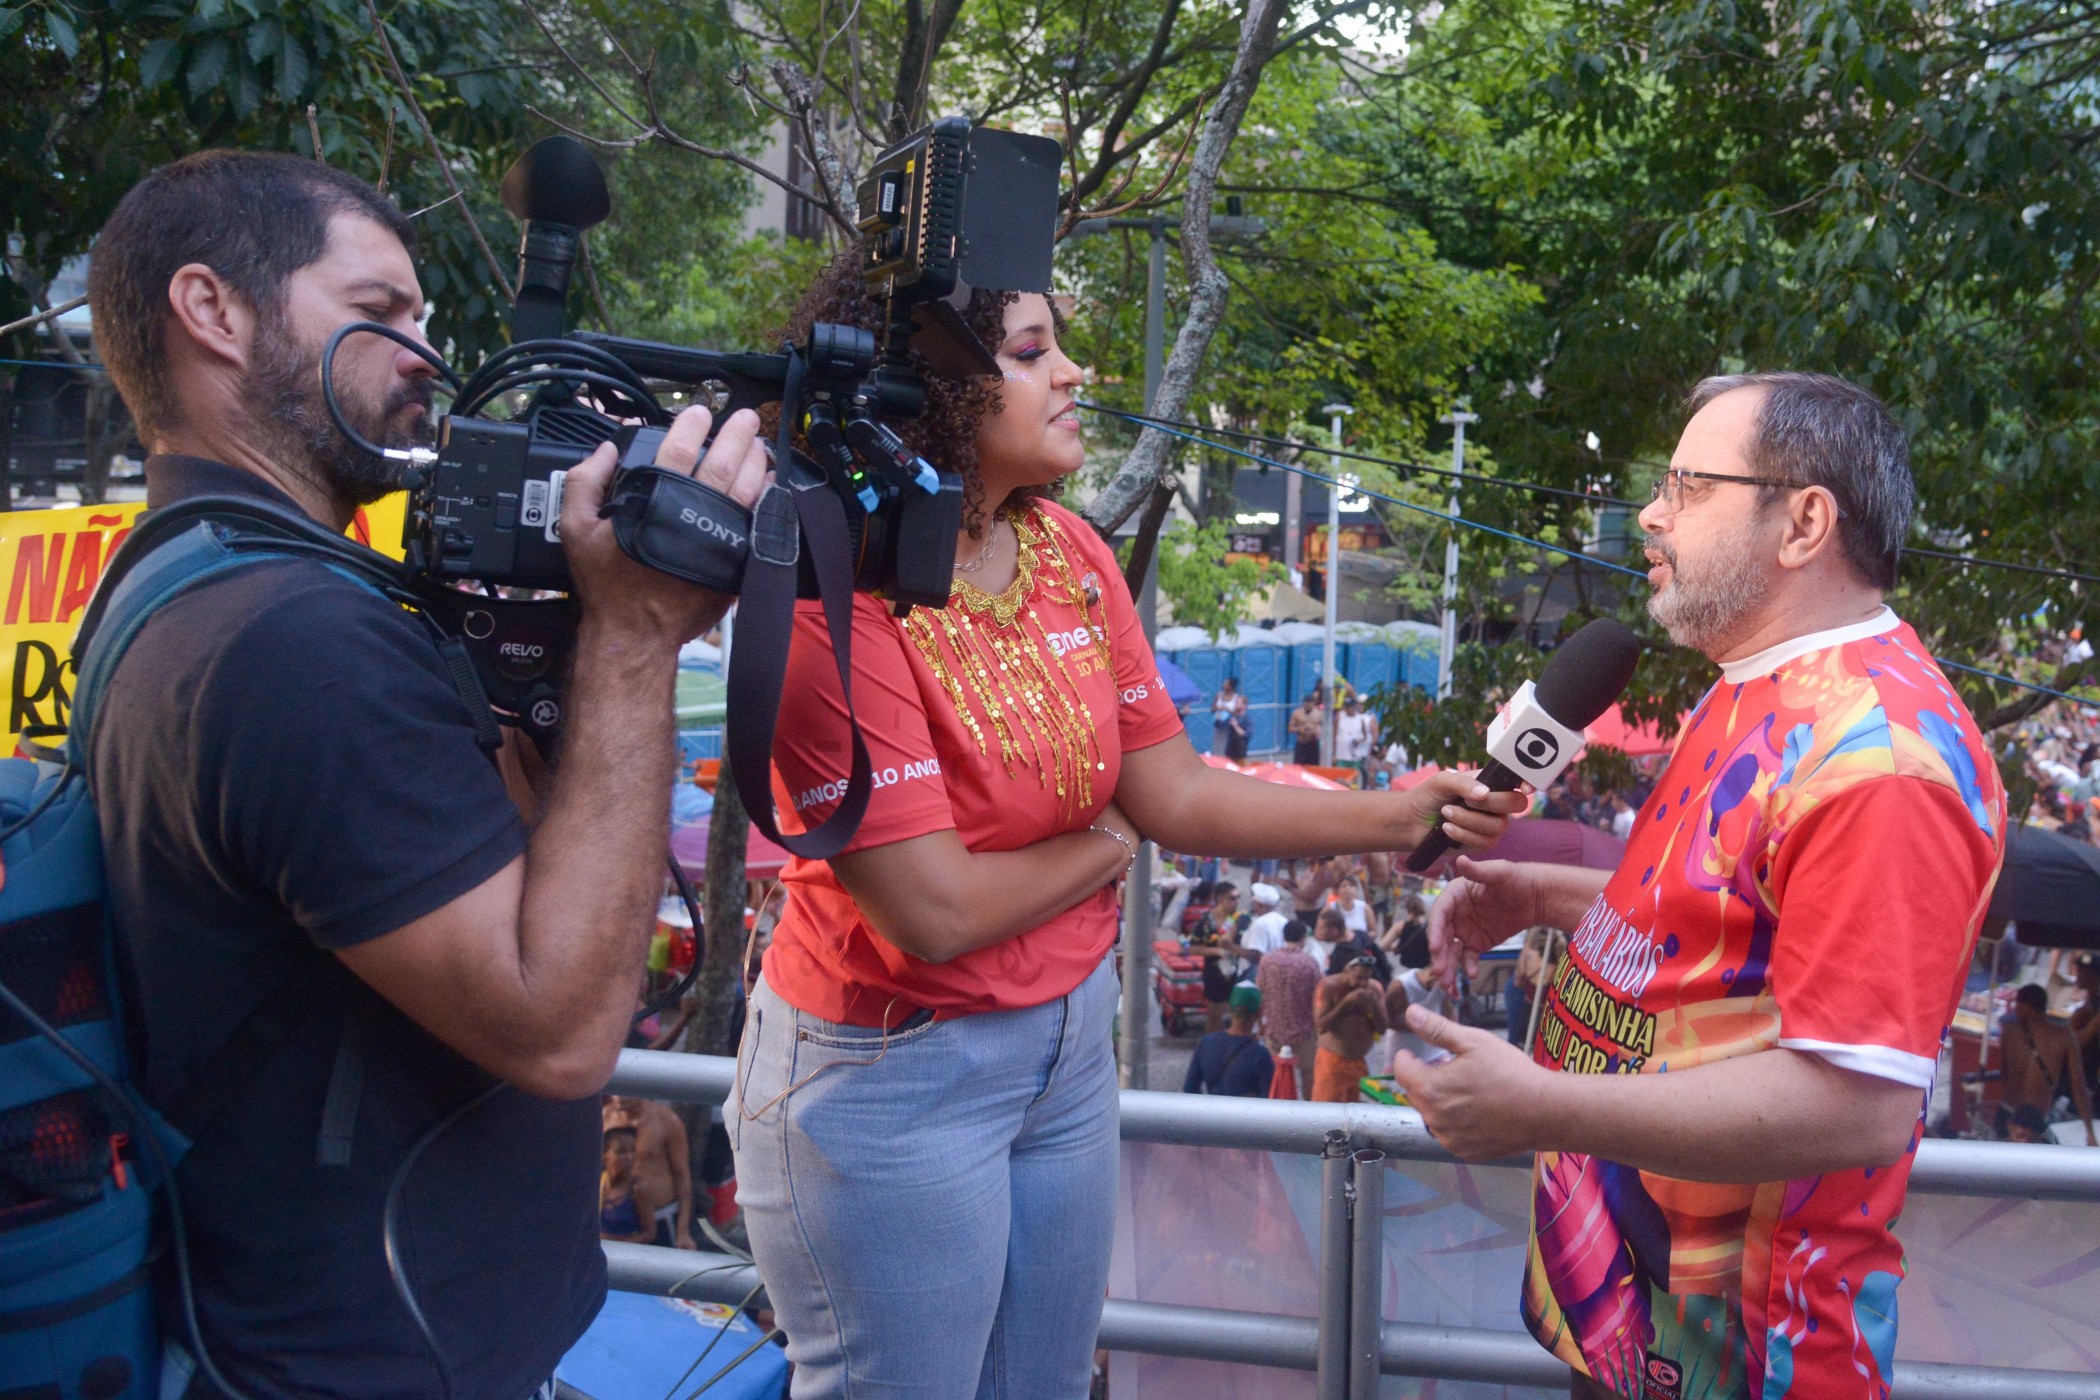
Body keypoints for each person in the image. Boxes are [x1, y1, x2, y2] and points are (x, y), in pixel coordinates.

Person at [733, 248, 1525, 1400]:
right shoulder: (834, 596)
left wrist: (1402, 812)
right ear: (927, 387)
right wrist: (1109, 843)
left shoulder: (1071, 552)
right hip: (895, 1069)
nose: (1075, 372)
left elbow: (1176, 791)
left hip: (1069, 1047)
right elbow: (936, 909)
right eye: (1031, 351)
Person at [81, 152, 767, 1397]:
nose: (426, 356)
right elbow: (561, 1030)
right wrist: (635, 635)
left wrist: (569, 642)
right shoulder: (296, 646)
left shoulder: (189, 576)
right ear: (212, 310)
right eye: (380, 310)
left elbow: (507, 871)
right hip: (365, 1364)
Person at [1394, 373, 2009, 1400]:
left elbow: (1855, 1106)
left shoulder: (1882, 762)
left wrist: (1543, 1105)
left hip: (1745, 1355)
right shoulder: (1751, 682)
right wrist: (1540, 895)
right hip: (1627, 1322)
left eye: (1688, 486)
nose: (1650, 513)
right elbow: (1718, 931)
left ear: (1804, 523)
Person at [1998, 984, 2097, 1145]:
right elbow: (2078, 1086)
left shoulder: (2009, 1031)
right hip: (2037, 1118)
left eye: (2018, 1005)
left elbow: (2005, 1073)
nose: (2015, 1009)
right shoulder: (2065, 1037)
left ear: (2029, 1008)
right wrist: (2090, 1132)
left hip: (2009, 1112)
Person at [604, 1094, 697, 1250]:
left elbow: (682, 1175)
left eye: (626, 1091)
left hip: (659, 1216)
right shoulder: (604, 1117)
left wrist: (683, 1231)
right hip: (615, 1217)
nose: (619, 1097)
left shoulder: (666, 1120)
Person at [1256, 919, 1323, 1097]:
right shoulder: (1309, 963)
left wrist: (1261, 1024)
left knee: (1276, 1073)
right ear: (1303, 938)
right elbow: (1317, 997)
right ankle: (1309, 1107)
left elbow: (1260, 992)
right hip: (1304, 1029)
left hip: (1275, 1028)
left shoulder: (1267, 960)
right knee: (1308, 1073)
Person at [1312, 954, 1387, 1102]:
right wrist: (1346, 1003)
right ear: (1346, 970)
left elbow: (1382, 1029)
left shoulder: (1374, 988)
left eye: (1367, 978)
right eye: (1359, 977)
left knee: (1355, 1110)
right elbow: (1321, 1027)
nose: (1363, 983)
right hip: (1332, 1063)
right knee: (1327, 1109)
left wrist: (1373, 1005)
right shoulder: (1328, 986)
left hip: (1361, 1061)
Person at [1182, 984, 1276, 1097]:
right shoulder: (1261, 1055)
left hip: (1213, 1107)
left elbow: (1190, 1088)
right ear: (1258, 1014)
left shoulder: (1206, 1043)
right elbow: (1269, 1099)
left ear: (1230, 1008)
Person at [1189, 883, 1252, 1031]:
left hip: (1238, 972)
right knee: (1214, 1016)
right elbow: (1193, 948)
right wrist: (1217, 951)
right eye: (1232, 898)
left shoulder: (1242, 919)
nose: (1236, 901)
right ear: (1219, 899)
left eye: (1238, 897)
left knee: (1239, 1015)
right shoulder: (1206, 920)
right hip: (1215, 973)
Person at [597, 1126, 658, 1244]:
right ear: (605, 1156)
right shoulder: (597, 1185)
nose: (629, 1157)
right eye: (621, 1152)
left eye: (632, 1151)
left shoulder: (638, 1188)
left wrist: (622, 1245)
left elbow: (649, 1233)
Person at [1240, 881, 1291, 960]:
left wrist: (1230, 946)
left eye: (1254, 903)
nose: (1253, 906)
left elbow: (1255, 955)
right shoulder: (1284, 920)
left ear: (1261, 905)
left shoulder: (1260, 923)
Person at [1336, 695, 1379, 783]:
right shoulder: (1352, 716)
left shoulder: (1370, 717)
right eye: (1360, 703)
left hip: (1364, 751)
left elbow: (1374, 735)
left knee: (1360, 773)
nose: (1361, 706)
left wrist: (1370, 750)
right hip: (1350, 751)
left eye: (1363, 704)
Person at [1383, 895, 1430, 970]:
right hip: (1425, 969)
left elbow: (1383, 945)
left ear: (1407, 910)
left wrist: (1396, 947)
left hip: (1405, 968)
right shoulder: (1429, 927)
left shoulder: (1400, 926)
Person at [1214, 677, 1250, 761]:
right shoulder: (1219, 695)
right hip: (1219, 722)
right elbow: (1212, 708)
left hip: (1229, 723)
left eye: (1226, 683)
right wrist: (1217, 709)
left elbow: (1237, 711)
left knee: (1228, 742)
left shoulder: (1236, 697)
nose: (1224, 685)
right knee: (1218, 744)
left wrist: (1226, 708)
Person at [1289, 689, 1324, 765]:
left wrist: (1318, 733)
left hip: (1313, 743)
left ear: (1313, 703)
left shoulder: (1318, 714)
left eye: (1310, 703)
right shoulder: (1297, 713)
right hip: (1302, 743)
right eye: (1306, 703)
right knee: (1299, 766)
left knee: (1314, 767)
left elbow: (1324, 728)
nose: (1308, 705)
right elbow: (1290, 728)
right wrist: (1299, 729)